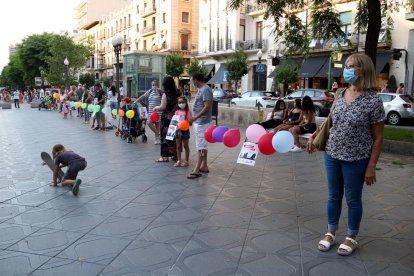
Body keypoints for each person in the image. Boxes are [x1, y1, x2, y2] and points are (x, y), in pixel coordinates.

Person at [307, 53, 385, 256]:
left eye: (352, 66)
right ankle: (330, 232)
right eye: (347, 65)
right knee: (333, 196)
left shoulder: (373, 101)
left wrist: (371, 166)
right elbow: (332, 121)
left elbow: (378, 138)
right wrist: (315, 135)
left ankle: (351, 237)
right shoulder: (340, 93)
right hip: (332, 154)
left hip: (356, 159)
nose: (347, 69)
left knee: (353, 199)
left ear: (364, 70)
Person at [187, 73, 213, 179]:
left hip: (202, 122)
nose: (192, 83)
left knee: (201, 146)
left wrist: (195, 117)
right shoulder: (201, 89)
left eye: (192, 80)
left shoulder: (205, 89)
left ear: (196, 79)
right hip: (199, 122)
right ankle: (204, 166)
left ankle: (197, 169)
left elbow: (207, 107)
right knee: (202, 144)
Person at [153, 76, 178, 162]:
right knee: (173, 136)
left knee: (165, 136)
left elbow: (162, 107)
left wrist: (156, 107)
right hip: (175, 117)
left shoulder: (165, 94)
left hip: (167, 118)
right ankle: (175, 154)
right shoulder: (177, 92)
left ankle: (164, 156)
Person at [135, 80, 162, 144]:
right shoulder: (149, 91)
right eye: (153, 85)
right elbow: (143, 96)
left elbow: (165, 96)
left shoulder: (160, 92)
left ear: (158, 85)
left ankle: (157, 139)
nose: (154, 86)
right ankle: (158, 134)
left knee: (157, 125)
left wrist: (161, 90)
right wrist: (136, 101)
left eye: (155, 85)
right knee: (149, 123)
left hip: (158, 111)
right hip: (150, 111)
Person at [174, 96, 192, 167]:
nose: (181, 104)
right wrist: (178, 129)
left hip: (185, 130)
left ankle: (186, 161)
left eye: (182, 102)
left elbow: (190, 122)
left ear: (185, 103)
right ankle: (179, 160)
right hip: (178, 130)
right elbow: (175, 122)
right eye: (179, 102)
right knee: (178, 146)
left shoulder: (188, 112)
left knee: (186, 146)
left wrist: (188, 121)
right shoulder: (177, 112)